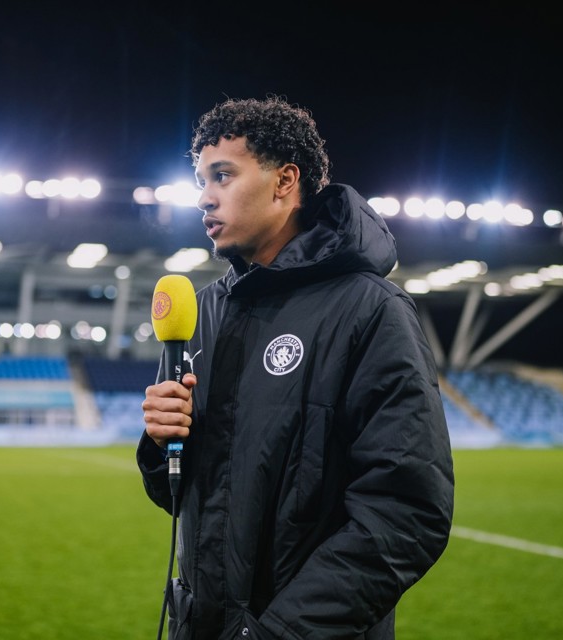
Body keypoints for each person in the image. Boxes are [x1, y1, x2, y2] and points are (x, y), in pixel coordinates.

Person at [138, 95, 454, 640]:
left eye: (222, 175)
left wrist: (278, 633)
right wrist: (162, 442)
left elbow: (406, 513)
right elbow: (189, 497)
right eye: (200, 180)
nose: (203, 198)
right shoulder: (209, 309)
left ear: (285, 181)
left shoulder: (370, 309)